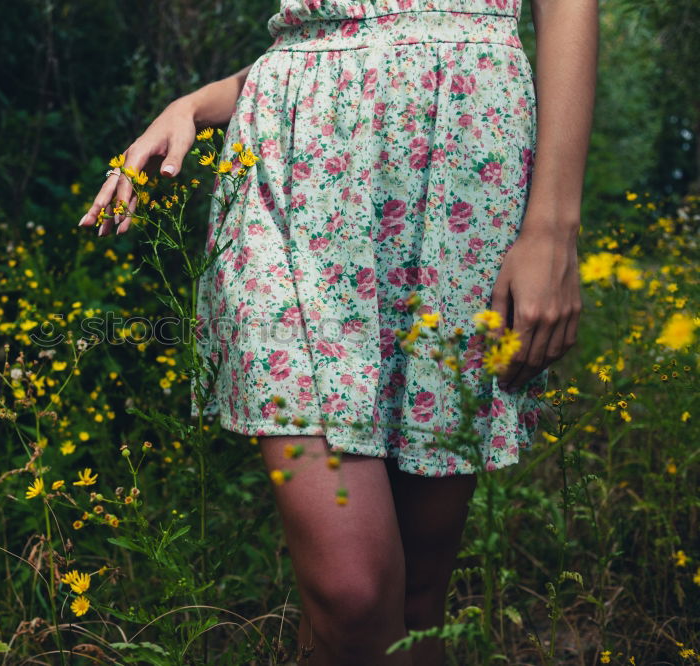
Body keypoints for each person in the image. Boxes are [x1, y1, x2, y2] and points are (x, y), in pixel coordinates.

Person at [77, 0, 595, 663]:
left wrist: (553, 227)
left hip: (462, 179)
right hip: (285, 181)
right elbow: (327, 33)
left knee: (414, 602)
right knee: (351, 594)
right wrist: (195, 103)